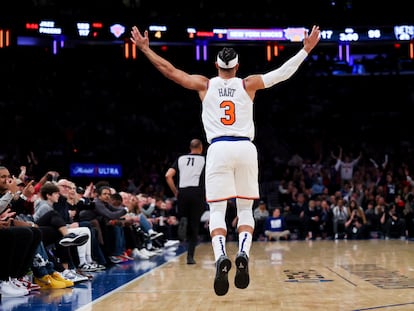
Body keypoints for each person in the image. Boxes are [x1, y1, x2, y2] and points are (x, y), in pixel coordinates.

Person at [130, 24, 321, 296]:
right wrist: (305, 49)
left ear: (216, 64)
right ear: (237, 65)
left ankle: (221, 256)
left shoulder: (205, 84)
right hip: (245, 148)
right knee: (245, 211)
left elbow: (171, 72)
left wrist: (147, 49)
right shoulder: (248, 83)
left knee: (218, 212)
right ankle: (243, 251)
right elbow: (281, 74)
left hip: (218, 148)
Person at [165, 138, 206, 264]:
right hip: (197, 193)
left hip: (182, 193)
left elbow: (168, 175)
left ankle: (183, 221)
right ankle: (190, 257)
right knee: (195, 225)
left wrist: (175, 191)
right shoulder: (205, 159)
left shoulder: (181, 158)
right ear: (201, 148)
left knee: (185, 217)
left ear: (190, 147)